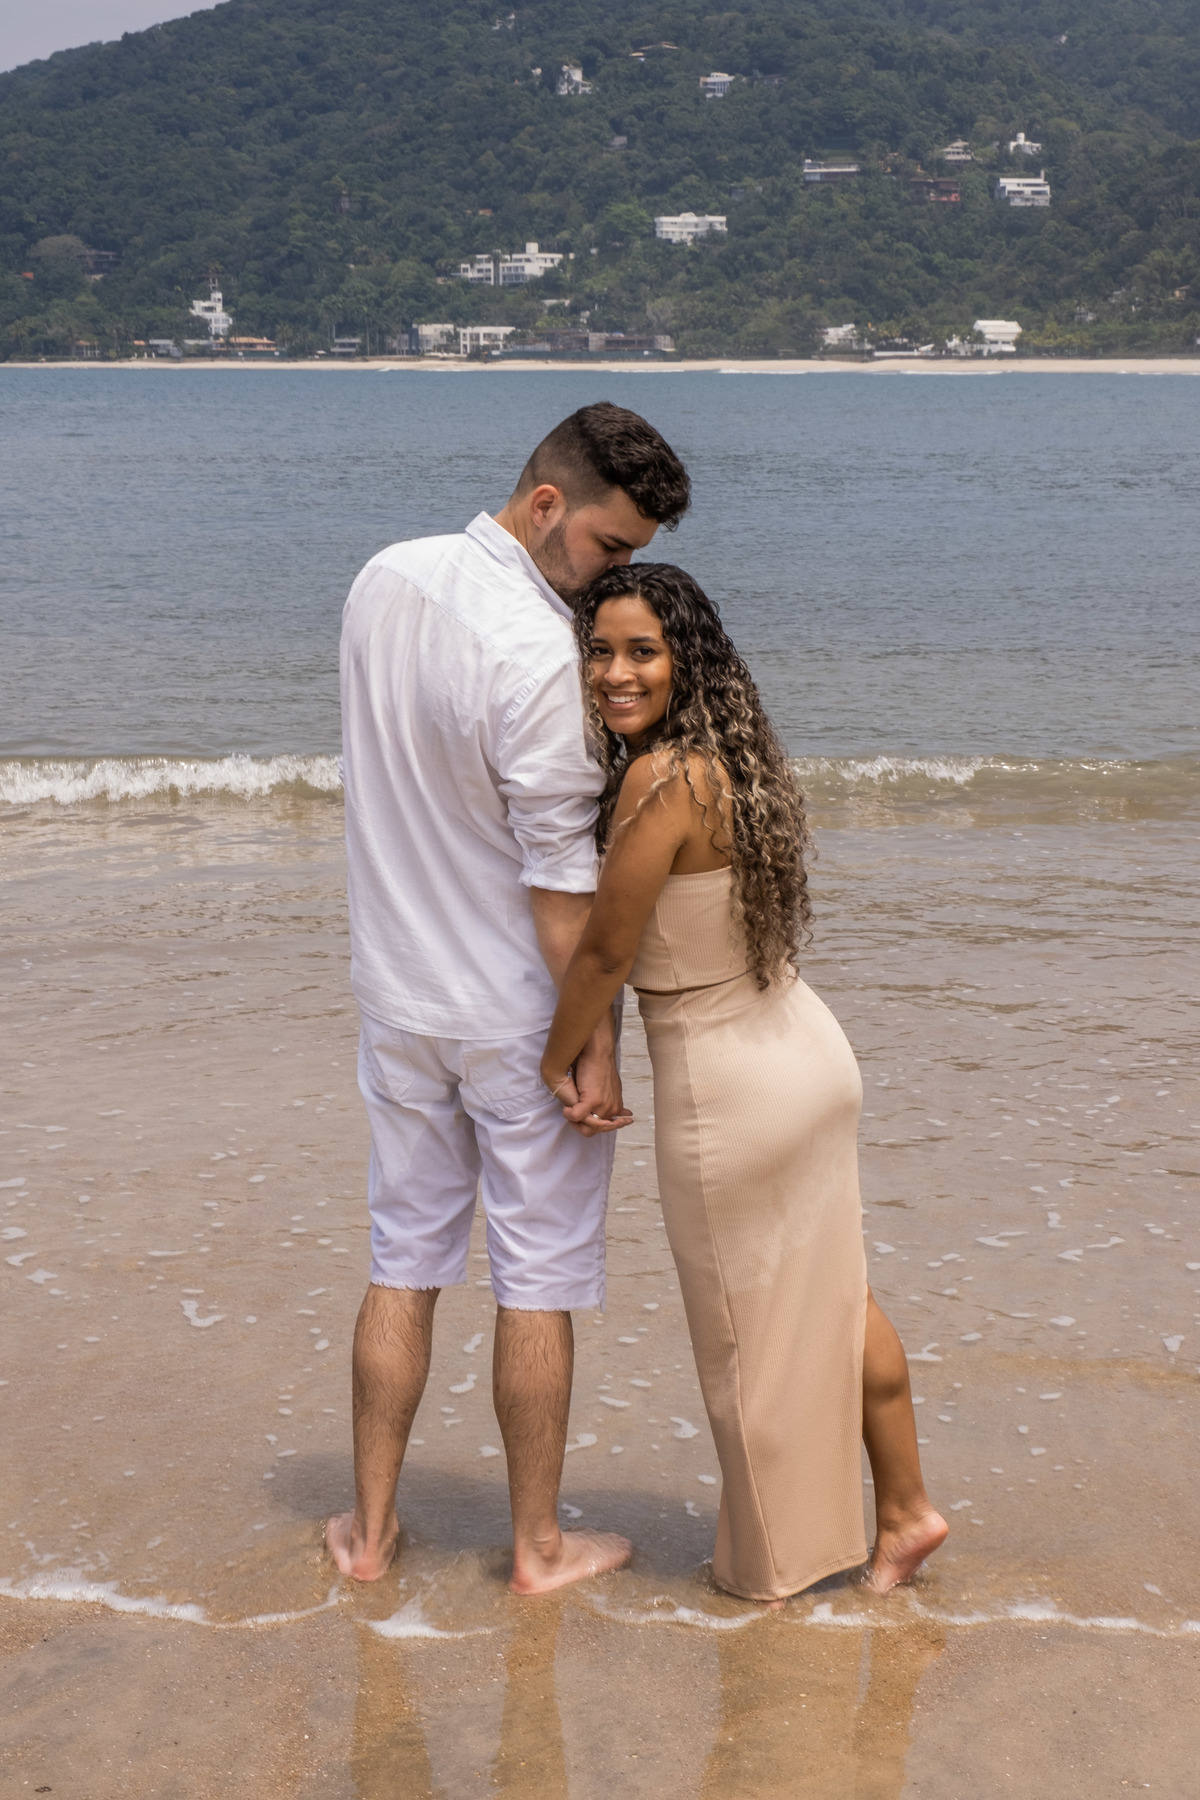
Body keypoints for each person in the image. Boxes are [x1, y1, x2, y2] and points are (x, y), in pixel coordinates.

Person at [327, 404, 691, 1593]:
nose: (614, 574)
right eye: (609, 545)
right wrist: (593, 1050)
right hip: (518, 1016)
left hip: (398, 994)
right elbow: (560, 889)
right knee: (538, 1279)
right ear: (546, 507)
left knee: (403, 1259)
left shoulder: (382, 577)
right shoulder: (540, 654)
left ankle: (369, 1534)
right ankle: (536, 1549)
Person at [540, 564, 948, 1603]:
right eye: (599, 651)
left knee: (742, 1340)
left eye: (642, 651)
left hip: (728, 1086)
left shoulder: (657, 779)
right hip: (802, 1049)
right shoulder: (730, 761)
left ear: (685, 661)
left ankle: (769, 1574)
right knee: (835, 1301)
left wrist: (556, 1058)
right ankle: (905, 1512)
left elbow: (605, 953)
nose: (616, 672)